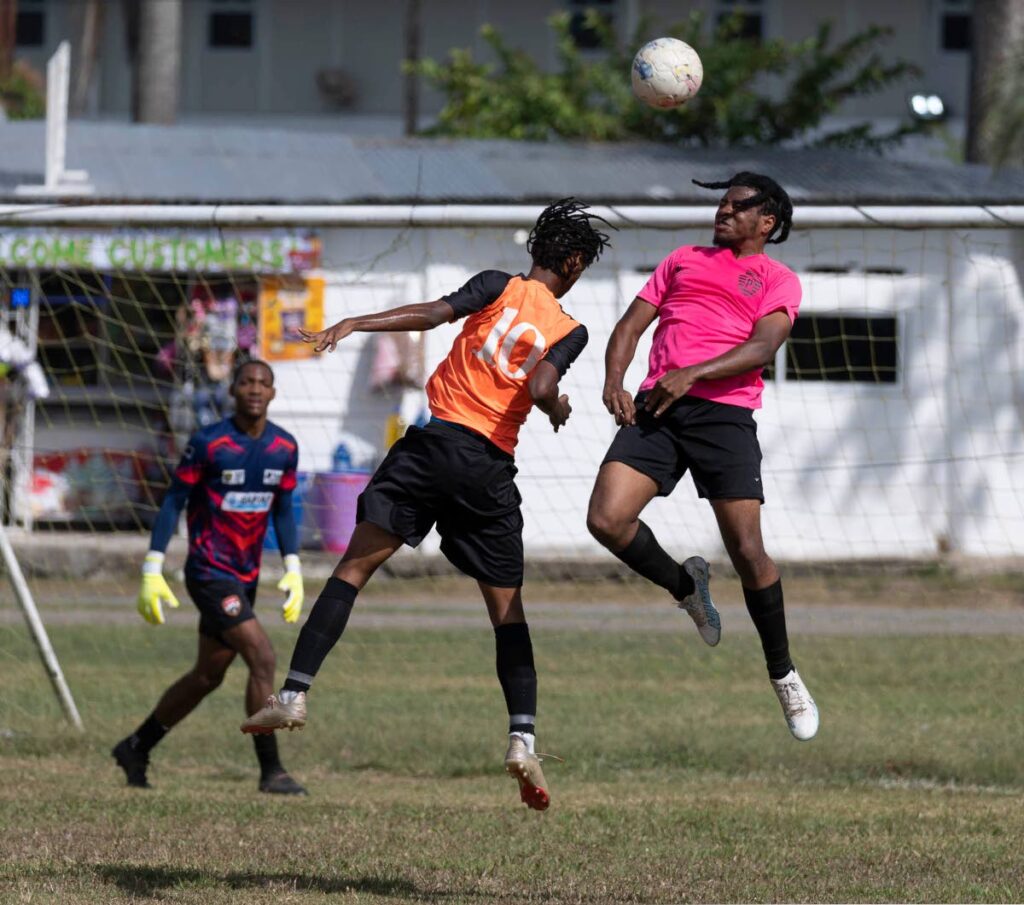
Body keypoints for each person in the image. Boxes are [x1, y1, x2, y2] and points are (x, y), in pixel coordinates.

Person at [241, 199, 611, 810]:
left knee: (352, 572)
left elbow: (433, 315)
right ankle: (522, 737)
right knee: (507, 612)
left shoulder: (497, 284)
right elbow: (543, 386)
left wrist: (355, 321)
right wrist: (557, 407)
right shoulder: (571, 328)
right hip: (487, 467)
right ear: (572, 262)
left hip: (431, 445)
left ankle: (295, 694)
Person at [586, 173, 819, 741]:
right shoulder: (683, 258)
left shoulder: (777, 279)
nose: (724, 212)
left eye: (739, 207)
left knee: (747, 551)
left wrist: (693, 374)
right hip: (658, 408)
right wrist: (615, 379)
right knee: (606, 519)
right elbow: (629, 327)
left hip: (723, 416)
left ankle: (783, 673)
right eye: (722, 203)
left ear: (767, 222)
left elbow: (763, 347)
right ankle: (686, 588)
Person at [112, 360, 308, 793]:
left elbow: (282, 511)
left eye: (263, 383)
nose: (255, 389)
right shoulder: (209, 442)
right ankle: (271, 771)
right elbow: (173, 502)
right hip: (208, 572)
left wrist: (293, 566)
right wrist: (152, 567)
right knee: (263, 657)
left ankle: (136, 747)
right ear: (233, 391)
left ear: (273, 393)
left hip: (246, 576)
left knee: (208, 675)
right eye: (246, 382)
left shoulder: (284, 447)